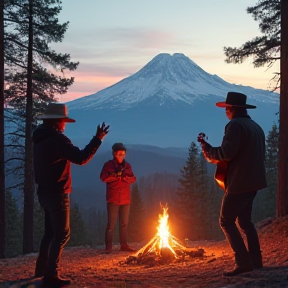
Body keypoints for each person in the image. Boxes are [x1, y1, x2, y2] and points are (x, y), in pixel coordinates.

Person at [33, 103, 109, 286]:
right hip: (57, 193)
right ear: (58, 122)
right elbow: (81, 158)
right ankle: (51, 276)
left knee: (50, 233)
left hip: (43, 192)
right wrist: (97, 139)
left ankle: (41, 269)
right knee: (62, 234)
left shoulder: (40, 137)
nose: (65, 125)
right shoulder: (58, 140)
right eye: (64, 122)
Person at [200, 92, 267, 277]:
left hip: (240, 182)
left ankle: (243, 262)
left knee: (226, 221)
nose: (226, 113)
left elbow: (227, 153)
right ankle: (255, 260)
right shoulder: (255, 126)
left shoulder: (235, 126)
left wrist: (210, 151)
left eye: (227, 109)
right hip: (254, 181)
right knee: (245, 222)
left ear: (233, 109)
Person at [100, 143, 137, 253]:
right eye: (118, 153)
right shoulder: (108, 165)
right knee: (111, 224)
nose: (121, 155)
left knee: (124, 224)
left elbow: (133, 179)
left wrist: (124, 177)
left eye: (122, 153)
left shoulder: (127, 166)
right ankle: (108, 247)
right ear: (114, 153)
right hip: (113, 199)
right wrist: (115, 176)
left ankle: (124, 245)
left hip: (125, 199)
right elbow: (103, 178)